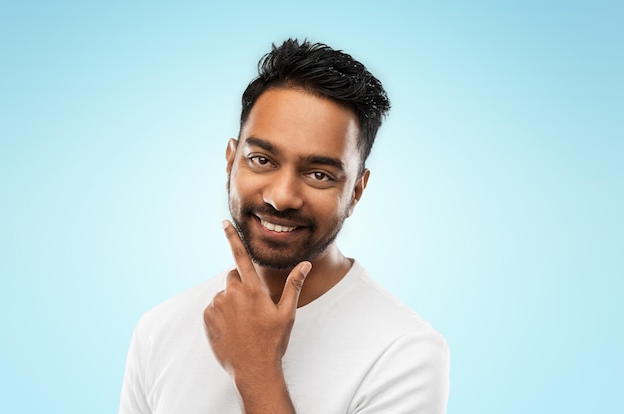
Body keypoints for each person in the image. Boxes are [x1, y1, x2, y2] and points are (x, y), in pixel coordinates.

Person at [119, 38, 449, 414]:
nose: (281, 196)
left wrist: (256, 369)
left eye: (319, 174)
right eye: (261, 159)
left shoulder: (405, 352)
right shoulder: (158, 330)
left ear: (356, 191)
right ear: (231, 161)